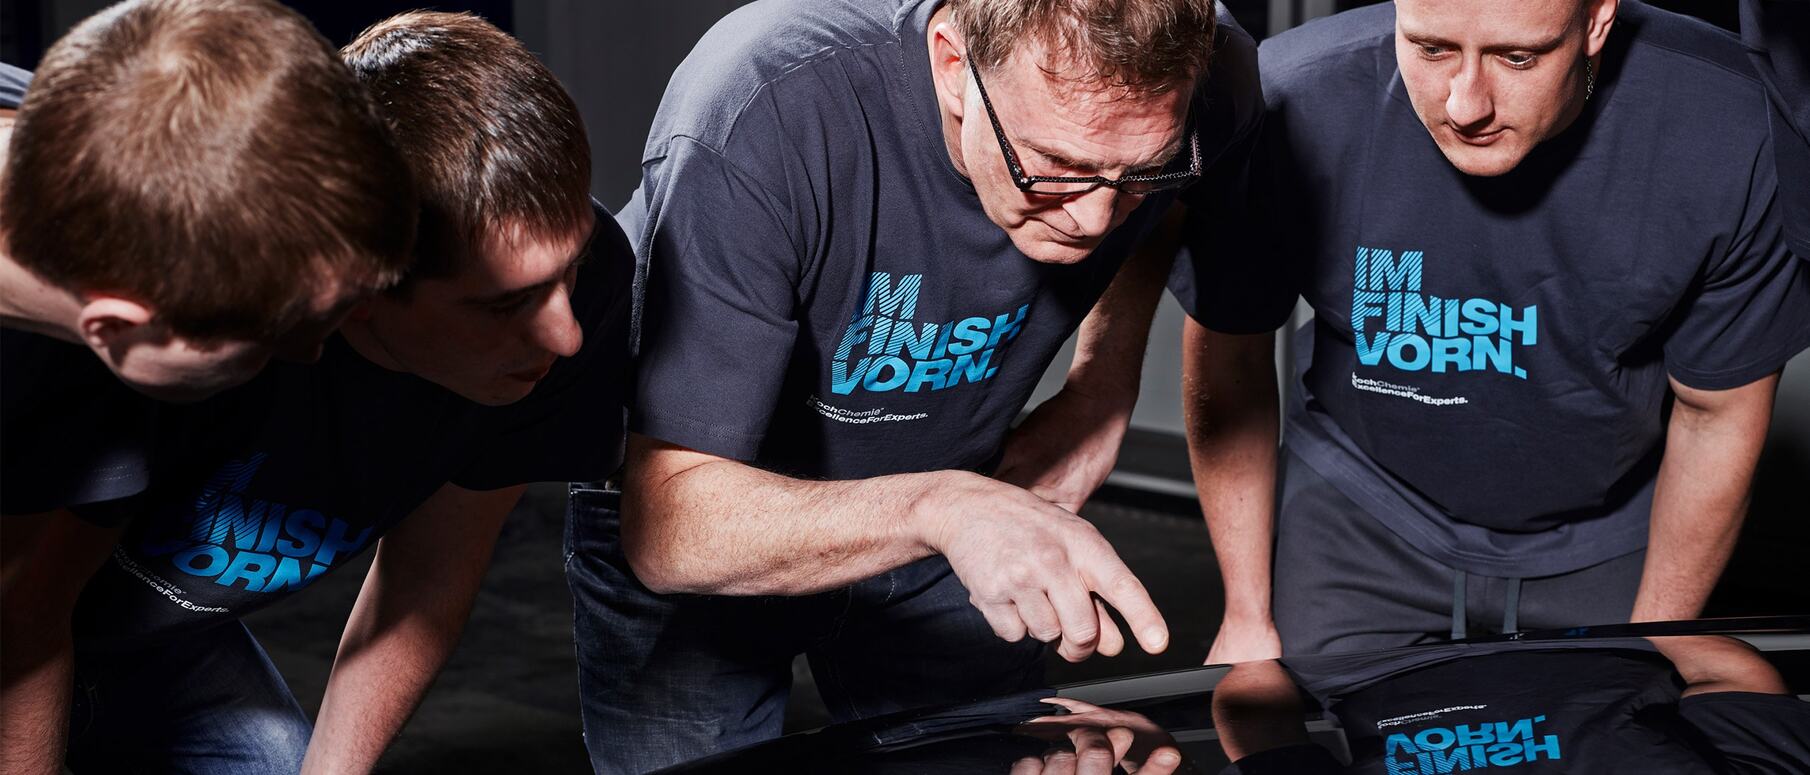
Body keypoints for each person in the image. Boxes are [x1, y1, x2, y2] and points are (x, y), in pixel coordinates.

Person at [569, 0, 1263, 770]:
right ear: (954, 65)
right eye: (1055, 168)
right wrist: (942, 507)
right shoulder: (765, 101)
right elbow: (667, 530)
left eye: (1142, 171)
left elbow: (1171, 210)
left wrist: (1104, 383)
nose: (1098, 216)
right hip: (710, 507)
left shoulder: (1215, 76)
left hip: (961, 498)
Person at [10, 12, 635, 773]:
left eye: (568, 269)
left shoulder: (576, 292)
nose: (564, 335)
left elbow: (433, 571)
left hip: (149, 641)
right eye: (504, 303)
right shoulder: (195, 309)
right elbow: (29, 611)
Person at [1181, 0, 1810, 664]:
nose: (1464, 104)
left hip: (1606, 528)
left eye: (1517, 57)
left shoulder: (1732, 128)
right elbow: (1231, 359)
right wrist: (1246, 614)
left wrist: (1657, 637)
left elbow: (1716, 411)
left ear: (1597, 20)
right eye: (1431, 49)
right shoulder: (1289, 95)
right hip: (1359, 505)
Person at [0, 1, 416, 770]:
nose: (310, 358)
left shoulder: (111, 151)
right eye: (272, 341)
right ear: (120, 329)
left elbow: (21, 605)